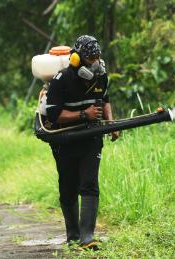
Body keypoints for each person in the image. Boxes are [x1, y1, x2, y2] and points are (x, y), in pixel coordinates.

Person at [45, 35, 120, 250]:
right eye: (90, 58)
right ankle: (73, 237)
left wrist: (110, 123)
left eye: (97, 57)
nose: (95, 63)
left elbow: (105, 100)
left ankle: (87, 238)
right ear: (77, 59)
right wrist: (83, 114)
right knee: (68, 187)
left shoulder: (101, 77)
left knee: (89, 183)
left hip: (91, 139)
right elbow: (53, 115)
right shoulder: (61, 80)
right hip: (66, 141)